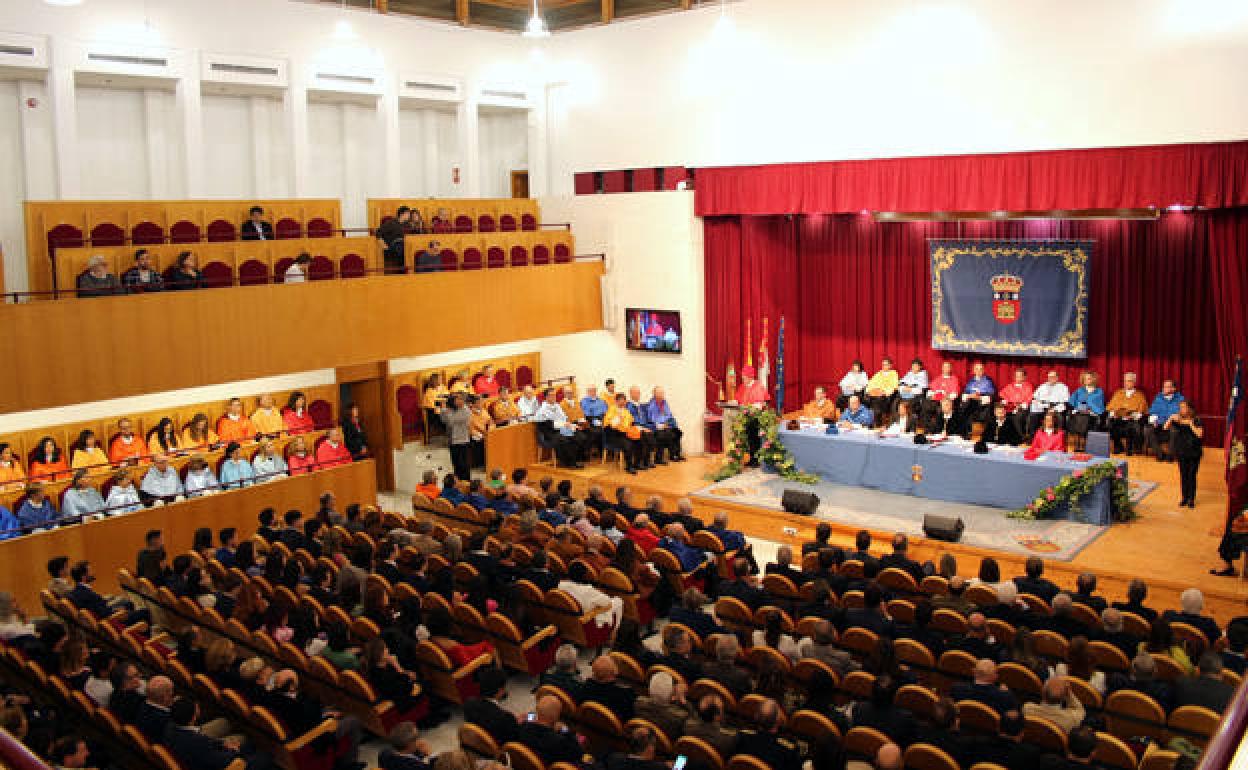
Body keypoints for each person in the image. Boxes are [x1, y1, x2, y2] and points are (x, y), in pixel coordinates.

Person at [537, 388, 591, 469]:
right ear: (546, 397)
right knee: (565, 439)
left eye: (554, 395)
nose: (554, 397)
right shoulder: (543, 410)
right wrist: (565, 425)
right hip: (550, 432)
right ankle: (568, 463)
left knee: (579, 436)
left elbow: (564, 418)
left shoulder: (557, 406)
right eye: (551, 395)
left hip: (562, 428)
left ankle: (575, 459)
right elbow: (550, 424)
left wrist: (573, 426)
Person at [1167, 400, 1203, 507]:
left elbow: (1199, 434)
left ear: (1190, 409)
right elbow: (1165, 427)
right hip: (1182, 451)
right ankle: (1184, 498)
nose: (1182, 409)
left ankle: (1191, 499)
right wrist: (1170, 418)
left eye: (1184, 407)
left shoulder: (1196, 420)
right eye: (1181, 407)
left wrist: (1191, 424)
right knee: (1183, 475)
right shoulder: (1178, 420)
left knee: (1191, 475)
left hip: (1194, 452)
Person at [1021, 676, 1085, 733]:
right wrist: (1069, 694)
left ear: (1043, 693)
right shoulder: (1071, 720)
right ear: (1064, 698)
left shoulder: (1027, 709)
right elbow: (1081, 710)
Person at [1106, 372, 1149, 455]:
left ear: (1134, 382)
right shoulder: (1118, 393)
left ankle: (1131, 448)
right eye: (1125, 381)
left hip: (1132, 420)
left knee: (1132, 425)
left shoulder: (1140, 395)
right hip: (1119, 418)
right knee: (1111, 423)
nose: (1126, 383)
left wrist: (1132, 415)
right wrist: (1113, 413)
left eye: (1129, 381)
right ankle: (1118, 446)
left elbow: (1142, 412)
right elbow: (1110, 408)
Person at [1066, 371, 1105, 450]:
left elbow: (1100, 405)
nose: (1088, 380)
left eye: (1089, 378)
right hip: (1079, 412)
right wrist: (1078, 408)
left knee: (1084, 417)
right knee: (1079, 416)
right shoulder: (1079, 390)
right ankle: (1079, 442)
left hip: (1092, 413)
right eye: (1086, 379)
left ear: (1094, 380)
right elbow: (1072, 402)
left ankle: (1080, 443)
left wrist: (1089, 409)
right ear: (1083, 380)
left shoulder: (1099, 391)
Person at [1148, 379, 1185, 461]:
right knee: (1147, 430)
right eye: (1164, 387)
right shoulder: (1158, 398)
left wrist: (1172, 419)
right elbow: (1153, 412)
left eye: (1167, 387)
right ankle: (1159, 454)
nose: (1164, 389)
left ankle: (1170, 455)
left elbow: (1182, 414)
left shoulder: (1180, 399)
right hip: (1159, 423)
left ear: (1173, 389)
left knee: (1174, 431)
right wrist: (1154, 420)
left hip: (1173, 423)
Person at [440, 393, 475, 480]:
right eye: (458, 399)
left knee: (464, 466)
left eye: (461, 399)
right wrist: (443, 410)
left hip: (462, 441)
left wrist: (446, 411)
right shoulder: (451, 410)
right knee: (456, 465)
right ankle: (458, 483)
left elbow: (451, 421)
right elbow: (443, 420)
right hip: (452, 441)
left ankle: (467, 483)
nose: (461, 401)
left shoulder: (466, 410)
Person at [645, 386, 684, 462]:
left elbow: (669, 414)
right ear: (654, 394)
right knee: (663, 434)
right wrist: (663, 424)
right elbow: (652, 418)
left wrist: (669, 423)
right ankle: (659, 458)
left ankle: (676, 454)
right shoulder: (651, 404)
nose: (661, 395)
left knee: (677, 432)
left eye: (662, 393)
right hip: (656, 427)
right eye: (659, 393)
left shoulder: (664, 403)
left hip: (666, 424)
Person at [998, 368, 1034, 438]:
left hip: (1022, 408)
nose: (1017, 378)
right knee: (1000, 413)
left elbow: (1029, 399)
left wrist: (1020, 405)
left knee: (1017, 417)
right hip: (1010, 407)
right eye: (1016, 376)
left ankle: (1020, 436)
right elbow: (1002, 394)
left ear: (1024, 377)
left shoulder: (1028, 386)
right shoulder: (1010, 385)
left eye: (1020, 376)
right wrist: (1007, 401)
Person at [376, 206, 411, 273]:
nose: (409, 216)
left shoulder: (407, 225)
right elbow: (378, 232)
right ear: (402, 214)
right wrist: (384, 245)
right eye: (408, 214)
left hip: (404, 248)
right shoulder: (391, 223)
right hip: (392, 248)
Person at [865, 357, 900, 423]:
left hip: (886, 396)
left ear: (890, 365)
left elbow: (894, 387)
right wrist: (871, 391)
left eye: (886, 365)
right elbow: (870, 384)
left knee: (877, 401)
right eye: (883, 365)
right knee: (866, 398)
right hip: (875, 394)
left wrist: (883, 392)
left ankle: (877, 422)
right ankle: (869, 420)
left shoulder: (894, 373)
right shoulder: (878, 374)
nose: (884, 366)